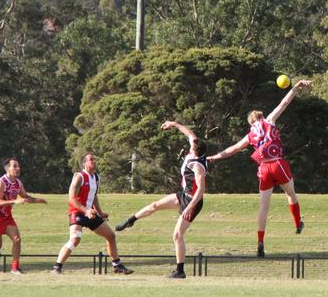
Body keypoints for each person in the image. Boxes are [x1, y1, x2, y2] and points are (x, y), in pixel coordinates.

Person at [208, 80, 311, 257]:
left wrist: (214, 157)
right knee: (291, 195)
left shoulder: (250, 135)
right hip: (278, 163)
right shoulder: (269, 120)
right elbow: (284, 103)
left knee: (263, 208)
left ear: (250, 122)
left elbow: (231, 150)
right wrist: (296, 86)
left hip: (264, 169)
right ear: (261, 116)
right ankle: (297, 223)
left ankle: (260, 242)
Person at [115, 121, 207, 279]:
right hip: (184, 194)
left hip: (193, 201)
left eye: (192, 146)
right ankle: (131, 220)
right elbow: (190, 134)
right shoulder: (195, 149)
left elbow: (201, 189)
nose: (190, 144)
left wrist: (189, 207)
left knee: (177, 235)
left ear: (194, 150)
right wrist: (174, 124)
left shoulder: (197, 165)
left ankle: (180, 271)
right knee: (155, 205)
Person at [51, 152, 133, 275]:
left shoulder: (96, 177)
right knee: (75, 239)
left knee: (111, 236)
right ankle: (57, 268)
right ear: (84, 163)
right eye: (91, 159)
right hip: (77, 212)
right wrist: (86, 210)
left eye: (94, 159)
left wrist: (100, 213)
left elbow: (94, 196)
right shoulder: (79, 177)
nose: (94, 161)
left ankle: (117, 266)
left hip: (91, 214)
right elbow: (71, 199)